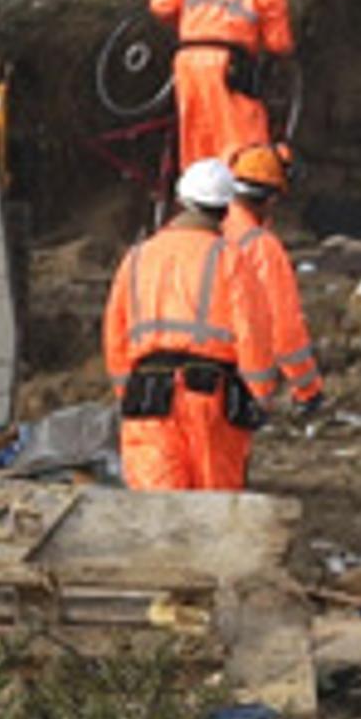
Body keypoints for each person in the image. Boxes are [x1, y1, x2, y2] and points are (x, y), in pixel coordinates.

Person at [100, 159, 257, 491]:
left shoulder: (138, 256)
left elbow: (115, 334)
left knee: (158, 512)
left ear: (180, 200)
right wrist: (260, 395)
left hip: (148, 398)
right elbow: (252, 334)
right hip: (211, 399)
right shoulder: (231, 258)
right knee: (214, 511)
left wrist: (126, 391)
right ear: (226, 210)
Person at [146, 0, 298, 167]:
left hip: (186, 61)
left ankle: (196, 202)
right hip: (228, 66)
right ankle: (238, 206)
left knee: (196, 144)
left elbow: (160, 3)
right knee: (242, 150)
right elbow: (278, 43)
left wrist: (194, 24)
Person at [221, 144, 326, 438]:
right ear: (270, 199)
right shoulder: (259, 247)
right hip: (244, 390)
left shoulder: (203, 233)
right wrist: (308, 389)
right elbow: (284, 325)